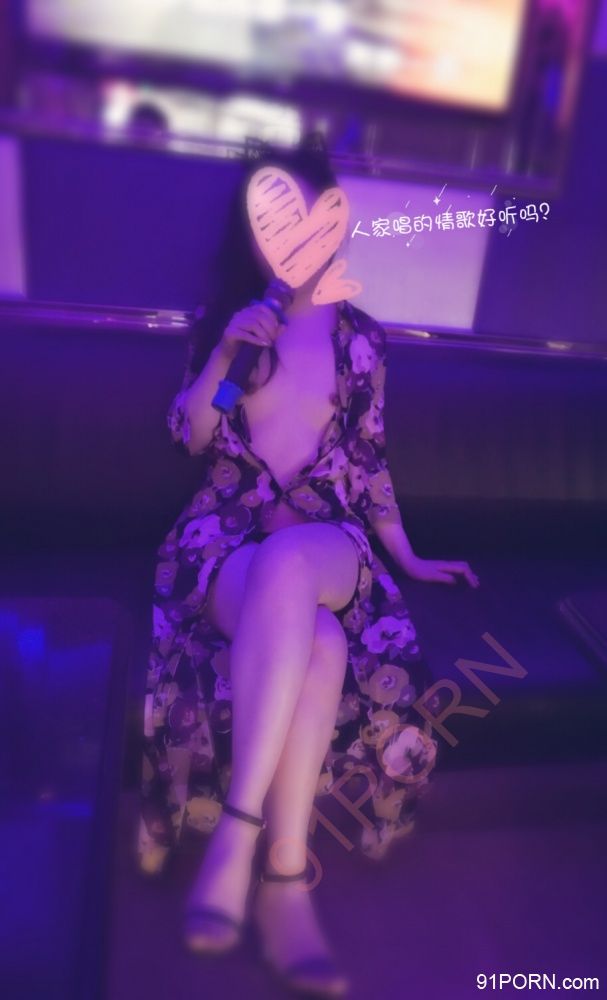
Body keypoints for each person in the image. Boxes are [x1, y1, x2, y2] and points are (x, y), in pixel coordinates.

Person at [137, 132, 480, 997]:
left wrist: (409, 555)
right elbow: (194, 436)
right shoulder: (231, 328)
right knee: (319, 644)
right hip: (225, 542)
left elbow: (368, 463)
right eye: (269, 220)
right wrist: (224, 357)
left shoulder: (362, 342)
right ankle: (284, 879)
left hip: (328, 541)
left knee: (296, 562)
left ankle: (234, 839)